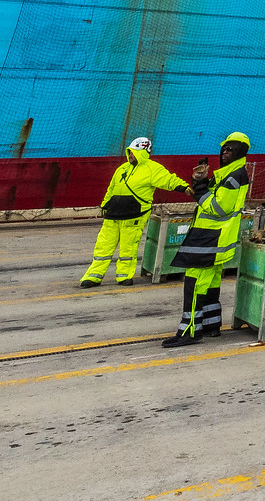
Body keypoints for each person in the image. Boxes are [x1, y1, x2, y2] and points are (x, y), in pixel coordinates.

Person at [162, 131, 252, 348]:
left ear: (242, 152)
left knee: (194, 284)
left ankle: (189, 331)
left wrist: (199, 188)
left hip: (209, 239)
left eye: (232, 147)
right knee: (210, 284)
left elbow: (217, 208)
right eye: (225, 147)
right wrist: (199, 181)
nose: (226, 150)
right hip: (214, 238)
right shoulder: (226, 175)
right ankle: (211, 325)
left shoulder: (234, 177)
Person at [81, 136, 189, 287]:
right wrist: (105, 206)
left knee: (128, 248)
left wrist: (184, 187)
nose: (130, 155)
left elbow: (169, 180)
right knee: (103, 246)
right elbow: (112, 189)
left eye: (132, 152)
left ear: (141, 152)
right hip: (113, 216)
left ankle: (124, 276)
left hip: (134, 217)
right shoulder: (122, 169)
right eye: (129, 152)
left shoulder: (153, 169)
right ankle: (93, 276)